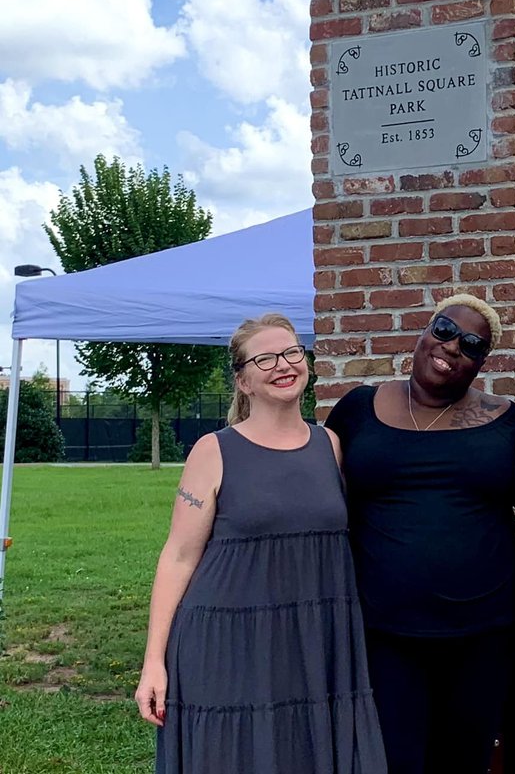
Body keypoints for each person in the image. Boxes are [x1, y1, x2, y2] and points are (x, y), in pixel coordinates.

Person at [136, 312, 385, 774]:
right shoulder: (213, 450)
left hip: (313, 640)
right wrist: (154, 662)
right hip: (229, 640)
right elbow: (178, 556)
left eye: (291, 353)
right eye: (265, 358)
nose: (283, 365)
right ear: (243, 381)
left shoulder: (329, 445)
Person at [325, 294, 515, 774]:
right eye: (444, 330)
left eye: (472, 345)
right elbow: (322, 496)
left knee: (466, 758)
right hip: (385, 629)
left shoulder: (509, 421)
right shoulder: (358, 409)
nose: (453, 346)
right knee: (395, 758)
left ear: (482, 363)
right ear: (423, 332)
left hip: (484, 629)